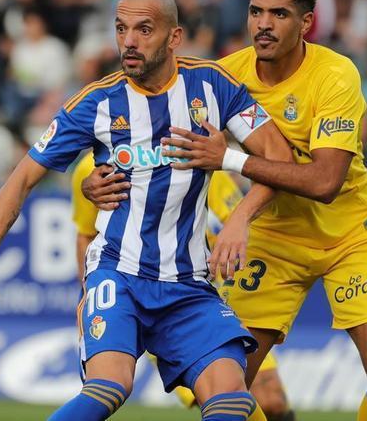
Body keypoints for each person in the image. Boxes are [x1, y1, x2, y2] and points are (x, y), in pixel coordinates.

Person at [87, 0, 367, 421]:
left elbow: (324, 182)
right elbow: (160, 142)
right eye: (256, 11)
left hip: (349, 238)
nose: (263, 23)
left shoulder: (336, 76)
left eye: (279, 14)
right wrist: (95, 177)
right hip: (273, 242)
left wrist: (234, 181)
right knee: (228, 390)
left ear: (305, 23)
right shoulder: (226, 75)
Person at [0, 0, 293, 421]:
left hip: (189, 284)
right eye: (121, 29)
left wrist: (240, 217)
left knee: (233, 397)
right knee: (109, 388)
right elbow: (19, 181)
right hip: (119, 273)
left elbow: (279, 160)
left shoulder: (214, 86)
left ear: (174, 37)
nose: (128, 41)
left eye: (144, 29)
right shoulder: (95, 103)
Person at [71, 156, 295, 420]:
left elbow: (238, 225)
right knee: (108, 389)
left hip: (204, 296)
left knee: (269, 400)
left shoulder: (205, 160)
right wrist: (90, 291)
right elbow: (86, 234)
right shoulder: (92, 167)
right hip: (137, 293)